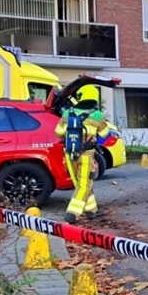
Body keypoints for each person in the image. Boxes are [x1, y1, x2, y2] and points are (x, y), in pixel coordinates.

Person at [55, 85, 111, 223]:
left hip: (69, 154)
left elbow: (58, 132)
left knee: (81, 183)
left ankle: (92, 210)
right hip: (86, 155)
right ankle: (72, 213)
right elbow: (105, 134)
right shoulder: (97, 115)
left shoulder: (67, 113)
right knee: (84, 184)